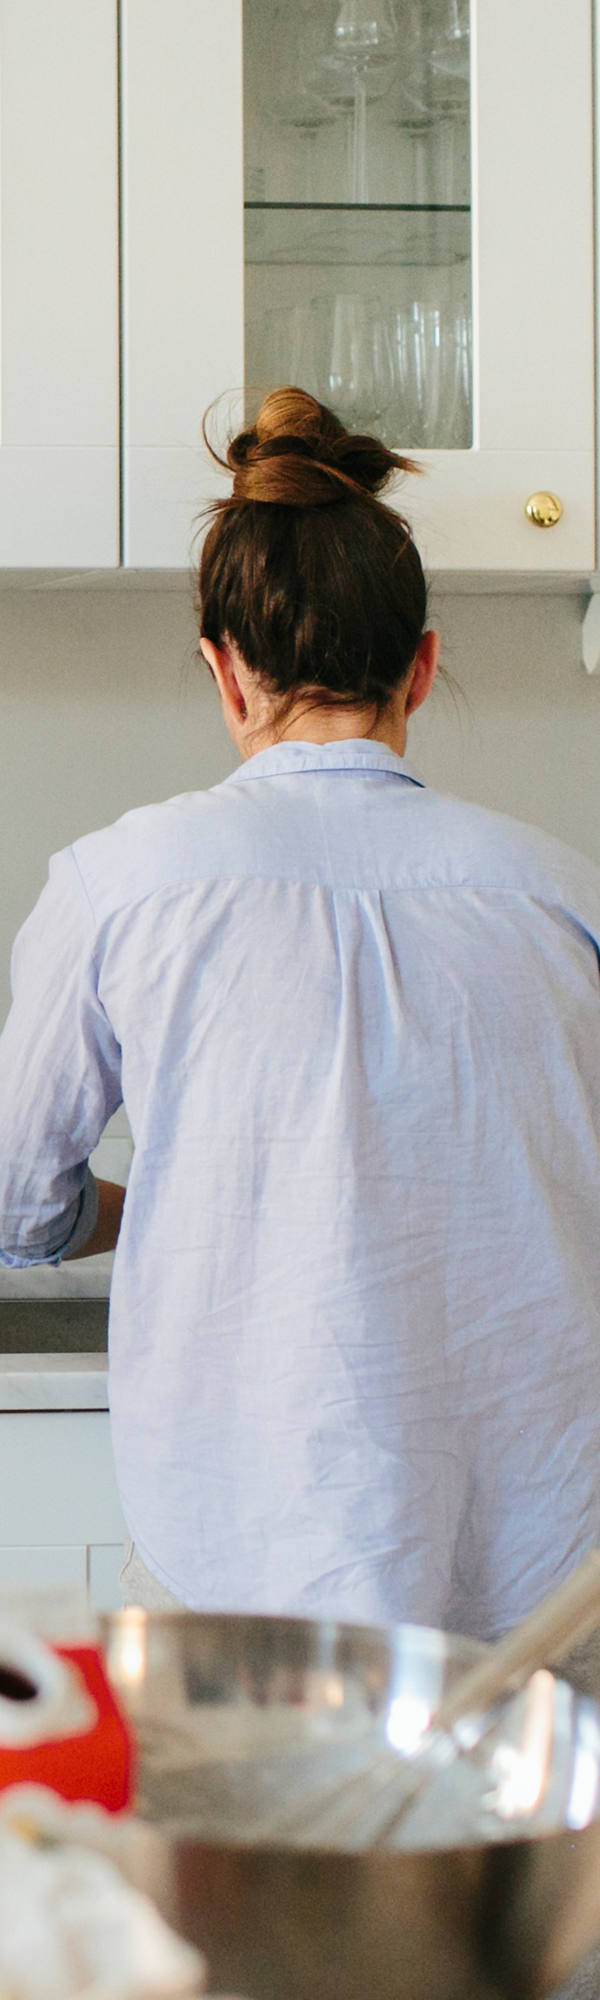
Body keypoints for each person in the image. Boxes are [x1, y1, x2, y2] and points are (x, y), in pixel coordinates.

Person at [0, 386, 599, 1637]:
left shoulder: (120, 887)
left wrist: (150, 1196)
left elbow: (16, 1204)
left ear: (224, 671)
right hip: (543, 1579)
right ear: (423, 665)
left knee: (250, 1840)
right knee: (526, 1840)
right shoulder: (563, 895)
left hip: (240, 1567)